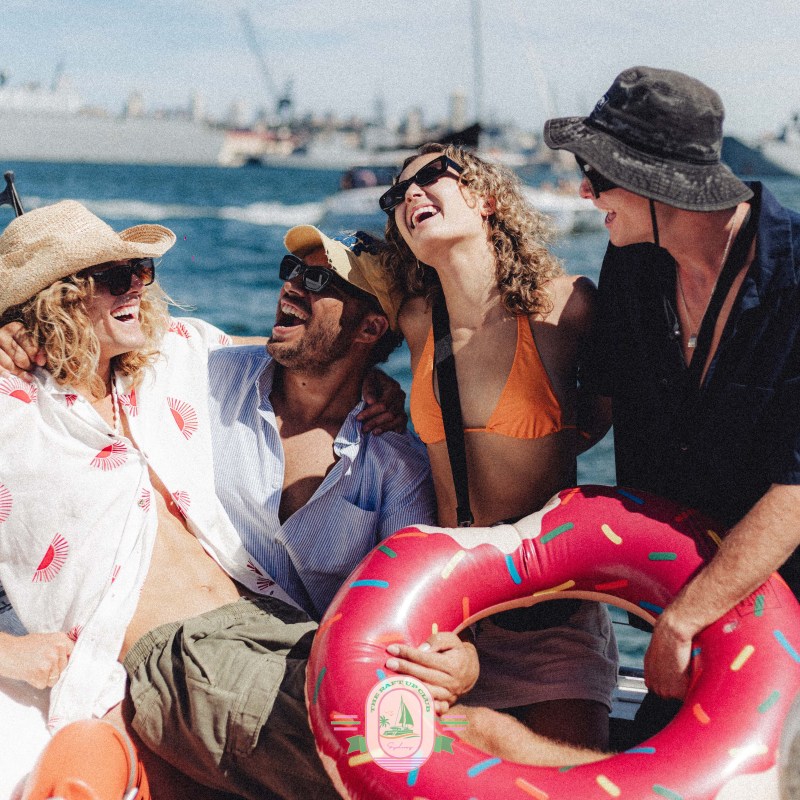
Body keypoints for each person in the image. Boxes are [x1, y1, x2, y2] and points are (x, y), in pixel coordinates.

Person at [0, 201, 464, 800]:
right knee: (420, 749)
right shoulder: (14, 406)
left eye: (141, 270)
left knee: (449, 729)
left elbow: (281, 352)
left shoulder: (160, 365)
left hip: (280, 625)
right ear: (54, 301)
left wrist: (370, 379)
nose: (139, 285)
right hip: (182, 655)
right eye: (117, 276)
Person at [543, 65, 800, 725]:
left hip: (778, 624)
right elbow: (593, 411)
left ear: (655, 181)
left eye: (596, 174)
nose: (583, 189)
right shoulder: (630, 262)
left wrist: (685, 620)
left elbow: (797, 489)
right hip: (677, 616)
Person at [376, 143, 617, 749]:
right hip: (453, 619)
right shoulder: (413, 320)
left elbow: (616, 407)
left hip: (550, 611)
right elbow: (327, 344)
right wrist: (374, 390)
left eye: (431, 176)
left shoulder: (566, 305)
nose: (410, 194)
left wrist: (555, 442)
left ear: (486, 198)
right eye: (396, 193)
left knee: (568, 778)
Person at [207, 225, 436, 620]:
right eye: (293, 270)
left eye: (318, 280)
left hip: (304, 651)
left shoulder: (397, 465)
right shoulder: (214, 376)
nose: (292, 287)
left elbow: (407, 600)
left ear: (370, 327)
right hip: (191, 625)